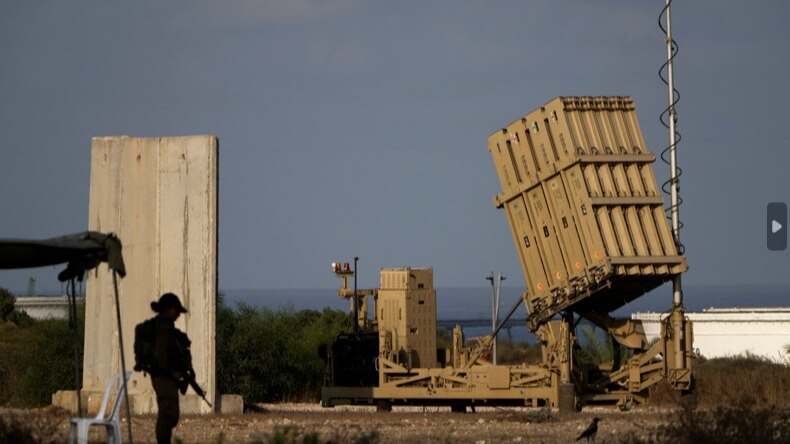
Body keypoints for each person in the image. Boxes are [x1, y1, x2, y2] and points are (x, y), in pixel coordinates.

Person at [148, 292, 191, 444]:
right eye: (176, 311)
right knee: (168, 413)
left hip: (165, 375)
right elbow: (161, 357)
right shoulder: (163, 329)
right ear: (169, 309)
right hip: (163, 376)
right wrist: (173, 372)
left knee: (171, 413)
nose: (178, 314)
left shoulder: (166, 327)